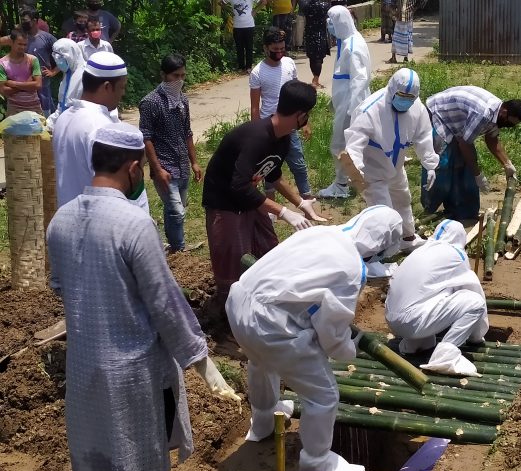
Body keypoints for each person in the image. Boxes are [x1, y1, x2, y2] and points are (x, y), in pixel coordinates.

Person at [47, 121, 239, 471]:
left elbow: (59, 287)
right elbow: (165, 303)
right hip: (134, 378)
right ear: (134, 169)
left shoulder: (60, 221)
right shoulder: (134, 224)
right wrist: (201, 361)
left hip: (86, 370)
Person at [225, 205, 403, 471]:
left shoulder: (321, 232)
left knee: (261, 362)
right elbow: (331, 335)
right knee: (323, 396)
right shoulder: (351, 268)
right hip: (271, 325)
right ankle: (317, 461)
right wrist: (349, 348)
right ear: (380, 246)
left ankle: (263, 421)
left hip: (239, 303)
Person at [203, 80, 326, 313]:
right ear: (300, 115)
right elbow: (238, 186)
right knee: (232, 259)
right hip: (224, 201)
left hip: (247, 196)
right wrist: (282, 211)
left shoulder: (284, 137)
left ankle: (265, 299)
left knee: (269, 246)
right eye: (307, 115)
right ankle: (227, 315)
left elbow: (274, 174)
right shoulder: (257, 137)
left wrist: (300, 203)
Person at [343, 68, 438, 252]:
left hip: (396, 165)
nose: (406, 101)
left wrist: (430, 164)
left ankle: (408, 238)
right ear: (392, 88)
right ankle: (379, 252)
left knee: (403, 199)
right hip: (373, 170)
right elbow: (354, 143)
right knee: (384, 213)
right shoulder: (370, 110)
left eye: (410, 98)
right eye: (402, 95)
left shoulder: (416, 107)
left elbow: (424, 135)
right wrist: (355, 170)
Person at [386, 219, 488, 375]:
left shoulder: (420, 250)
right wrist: (476, 336)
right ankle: (444, 357)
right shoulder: (457, 254)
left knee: (430, 295)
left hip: (392, 321)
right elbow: (472, 289)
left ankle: (414, 345)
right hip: (413, 322)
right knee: (475, 302)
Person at [53, 51, 149, 211]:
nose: (123, 94)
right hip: (99, 222)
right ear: (107, 87)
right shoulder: (102, 128)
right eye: (122, 87)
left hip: (69, 218)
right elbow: (120, 187)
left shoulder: (63, 119)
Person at [424, 86, 521, 220]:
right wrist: (478, 175)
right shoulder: (483, 113)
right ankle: (428, 210)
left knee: (463, 163)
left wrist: (507, 164)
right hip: (439, 113)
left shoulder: (498, 114)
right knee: (441, 163)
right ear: (504, 111)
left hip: (458, 123)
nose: (508, 126)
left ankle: (459, 210)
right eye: (509, 122)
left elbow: (491, 138)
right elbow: (465, 144)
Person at [139, 54, 202, 253]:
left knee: (177, 208)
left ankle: (174, 247)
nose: (180, 80)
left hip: (182, 163)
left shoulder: (183, 99)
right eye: (175, 76)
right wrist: (157, 169)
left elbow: (187, 132)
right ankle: (179, 248)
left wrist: (194, 161)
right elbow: (146, 137)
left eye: (183, 75)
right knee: (176, 210)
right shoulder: (150, 102)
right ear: (163, 75)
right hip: (165, 165)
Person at [250, 27, 313, 199]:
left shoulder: (289, 63)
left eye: (282, 49)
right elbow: (255, 106)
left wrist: (305, 121)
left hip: (291, 126)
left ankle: (306, 197)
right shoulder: (257, 73)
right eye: (275, 50)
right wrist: (255, 132)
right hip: (269, 128)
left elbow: (298, 94)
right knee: (269, 167)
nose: (279, 53)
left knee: (298, 163)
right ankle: (271, 208)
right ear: (265, 48)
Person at [317, 5, 370, 199]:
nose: (329, 25)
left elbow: (359, 80)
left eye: (332, 21)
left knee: (339, 144)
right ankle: (356, 178)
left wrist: (353, 110)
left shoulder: (352, 46)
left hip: (350, 105)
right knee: (355, 145)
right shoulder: (346, 42)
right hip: (345, 102)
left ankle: (341, 185)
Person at [20, 8, 57, 117]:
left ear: (35, 20)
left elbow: (64, 54)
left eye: (25, 20)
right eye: (22, 20)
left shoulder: (47, 38)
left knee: (45, 107)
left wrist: (54, 71)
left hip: (43, 80)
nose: (23, 23)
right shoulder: (20, 37)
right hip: (24, 80)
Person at [46, 38, 87, 129]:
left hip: (78, 127)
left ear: (71, 55)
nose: (58, 61)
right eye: (56, 58)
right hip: (66, 126)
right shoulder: (68, 75)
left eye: (61, 58)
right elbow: (62, 105)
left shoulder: (85, 75)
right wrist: (50, 123)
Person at [0, 29, 43, 116]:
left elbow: (38, 85)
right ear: (11, 42)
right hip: (14, 109)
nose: (23, 47)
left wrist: (13, 83)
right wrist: (28, 83)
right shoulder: (2, 63)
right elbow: (4, 91)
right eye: (20, 44)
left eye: (25, 44)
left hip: (34, 107)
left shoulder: (32, 60)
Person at [298, 0, 331, 89]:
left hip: (309, 32)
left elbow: (302, 11)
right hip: (320, 33)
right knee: (318, 58)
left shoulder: (305, 4)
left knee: (312, 57)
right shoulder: (325, 4)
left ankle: (315, 79)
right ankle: (315, 80)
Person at [224, 0, 256, 72]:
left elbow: (264, 2)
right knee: (239, 47)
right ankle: (241, 67)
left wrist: (255, 10)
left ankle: (249, 67)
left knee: (249, 47)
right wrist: (230, 10)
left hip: (249, 25)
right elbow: (220, 3)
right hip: (237, 26)